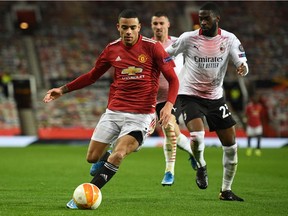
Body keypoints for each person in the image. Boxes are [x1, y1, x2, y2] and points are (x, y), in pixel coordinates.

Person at [43, 9, 179, 209]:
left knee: (119, 153)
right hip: (114, 112)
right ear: (119, 28)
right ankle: (106, 156)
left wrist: (168, 105)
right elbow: (91, 76)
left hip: (141, 116)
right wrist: (62, 90)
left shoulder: (154, 48)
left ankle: (89, 192)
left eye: (133, 27)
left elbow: (174, 79)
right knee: (92, 158)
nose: (129, 32)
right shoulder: (111, 49)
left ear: (139, 28)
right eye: (125, 28)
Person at [166, 2, 248, 201]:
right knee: (197, 135)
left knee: (231, 145)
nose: (202, 22)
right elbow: (165, 55)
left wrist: (243, 68)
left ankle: (226, 191)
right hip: (189, 94)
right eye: (200, 18)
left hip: (214, 97)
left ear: (216, 19)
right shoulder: (188, 38)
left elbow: (242, 62)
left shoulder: (229, 39)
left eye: (206, 18)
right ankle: (201, 166)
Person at [151, 11, 197, 186]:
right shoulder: (147, 45)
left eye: (161, 23)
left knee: (169, 128)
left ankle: (169, 172)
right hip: (154, 97)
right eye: (155, 23)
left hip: (174, 94)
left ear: (168, 25)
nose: (158, 27)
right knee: (172, 132)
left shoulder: (179, 43)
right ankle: (193, 150)